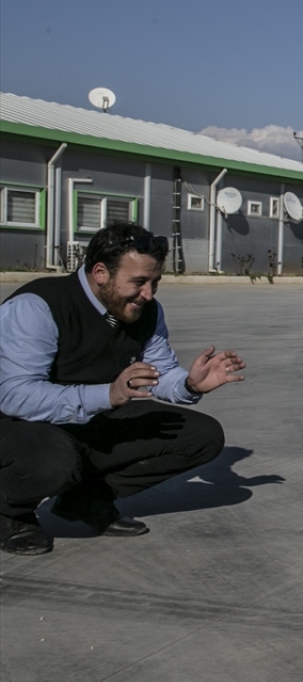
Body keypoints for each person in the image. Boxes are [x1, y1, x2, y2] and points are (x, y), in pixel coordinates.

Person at [0, 222, 246, 556]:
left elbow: (159, 371)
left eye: (155, 281)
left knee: (201, 436)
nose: (149, 294)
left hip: (89, 417)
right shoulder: (38, 306)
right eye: (139, 282)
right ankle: (10, 513)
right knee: (54, 461)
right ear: (100, 272)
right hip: (18, 424)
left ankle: (84, 500)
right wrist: (108, 395)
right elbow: (16, 396)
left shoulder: (146, 310)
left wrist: (189, 383)